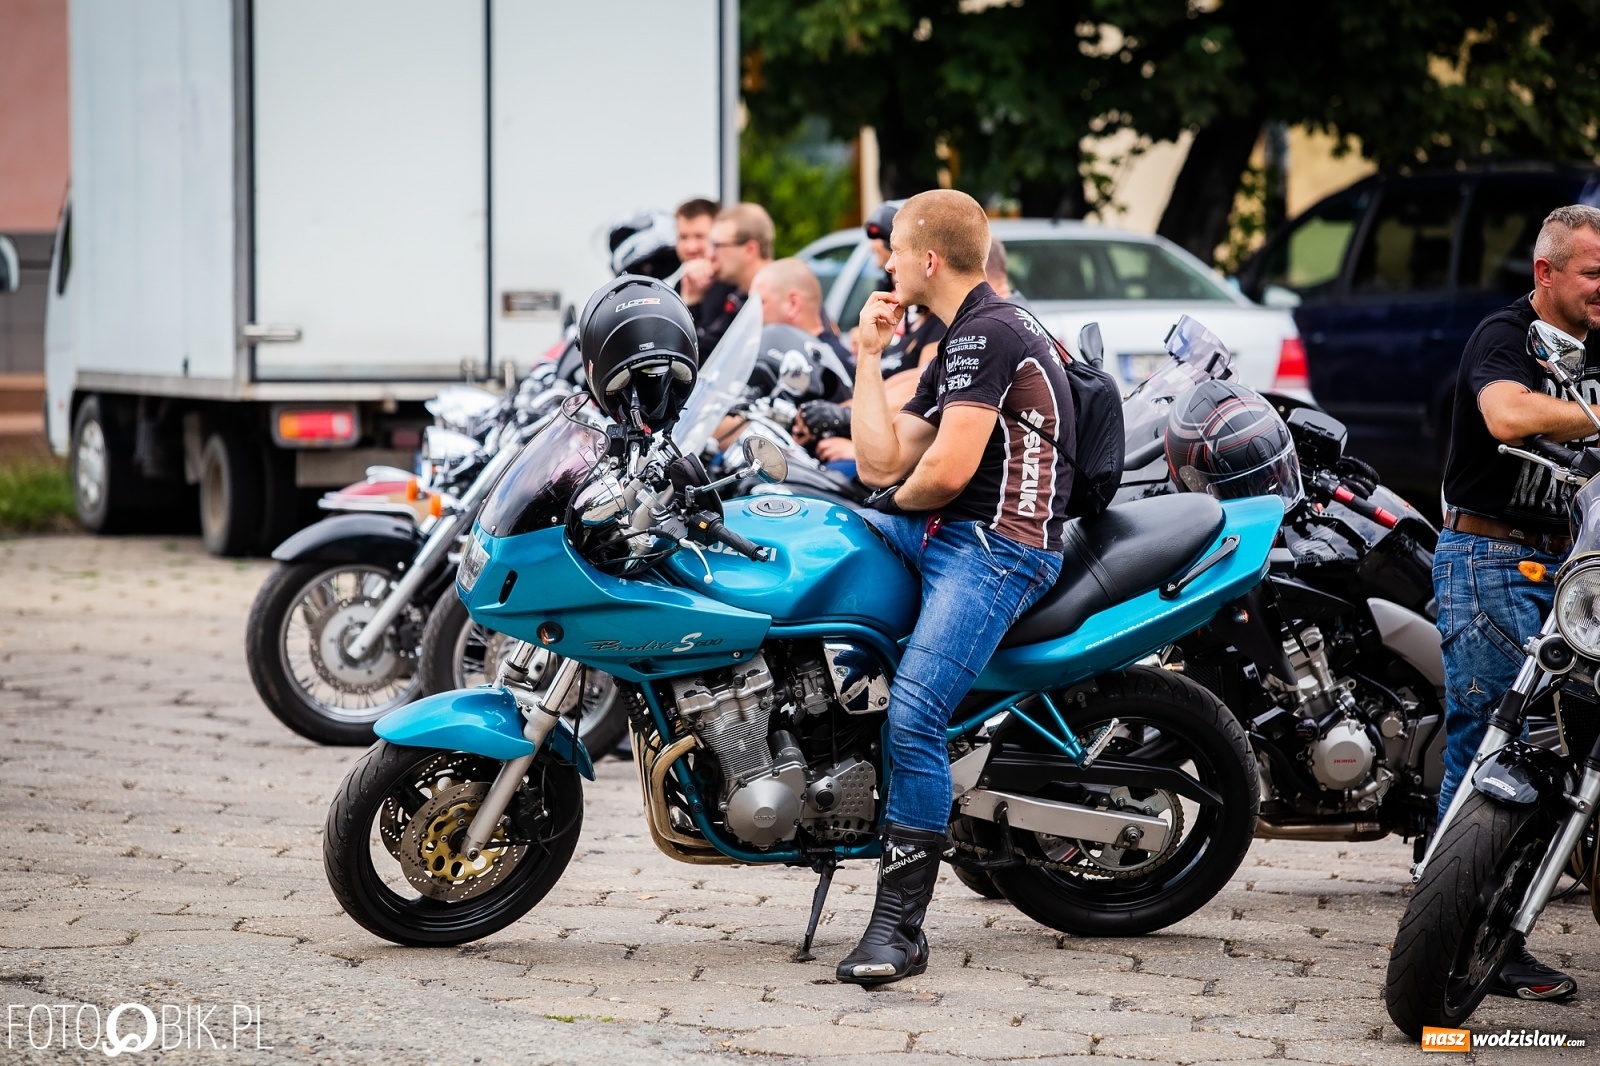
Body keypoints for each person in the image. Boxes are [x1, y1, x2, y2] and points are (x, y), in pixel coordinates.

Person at [838, 189, 1075, 985]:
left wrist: (885, 502)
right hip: (948, 531)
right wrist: (869, 356)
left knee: (914, 716)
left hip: (996, 549)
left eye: (896, 251)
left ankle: (899, 930)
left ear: (928, 261)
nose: (888, 263)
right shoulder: (963, 339)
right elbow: (880, 459)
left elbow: (939, 474)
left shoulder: (989, 334)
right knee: (819, 549)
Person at [1435, 203, 1600, 1003]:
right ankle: (1456, 941)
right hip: (1491, 556)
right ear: (1547, 273)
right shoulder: (1504, 337)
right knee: (1487, 747)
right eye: (1594, 274)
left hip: (1571, 568)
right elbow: (1506, 413)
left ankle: (1491, 929)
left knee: (1557, 750)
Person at [750, 258, 854, 373]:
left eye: (761, 302)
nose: (754, 314)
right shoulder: (779, 355)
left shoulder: (831, 367)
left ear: (793, 304)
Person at [697, 203, 775, 356]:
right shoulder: (739, 297)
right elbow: (706, 358)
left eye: (717, 245)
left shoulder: (782, 296)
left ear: (749, 250)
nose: (710, 255)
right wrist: (691, 299)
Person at [673, 198, 740, 352]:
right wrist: (690, 300)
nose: (691, 247)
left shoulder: (735, 286)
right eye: (683, 237)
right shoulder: (679, 287)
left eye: (699, 236)